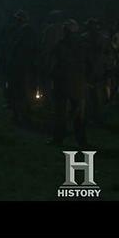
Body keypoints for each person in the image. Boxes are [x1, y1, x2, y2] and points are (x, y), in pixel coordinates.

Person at [47, 19, 91, 148]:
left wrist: (52, 74)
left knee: (61, 112)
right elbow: (88, 63)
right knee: (77, 114)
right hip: (76, 82)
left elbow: (54, 63)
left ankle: (59, 138)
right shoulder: (82, 45)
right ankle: (81, 140)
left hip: (63, 82)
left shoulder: (61, 45)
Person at [7, 9, 38, 126]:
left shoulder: (24, 31)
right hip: (21, 65)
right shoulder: (21, 30)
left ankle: (22, 114)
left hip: (22, 65)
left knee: (22, 90)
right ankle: (21, 114)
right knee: (20, 90)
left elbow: (27, 48)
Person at [81, 18, 111, 125]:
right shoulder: (101, 38)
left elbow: (107, 54)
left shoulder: (86, 38)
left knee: (94, 94)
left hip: (94, 69)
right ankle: (95, 116)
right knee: (94, 94)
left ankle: (95, 116)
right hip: (95, 69)